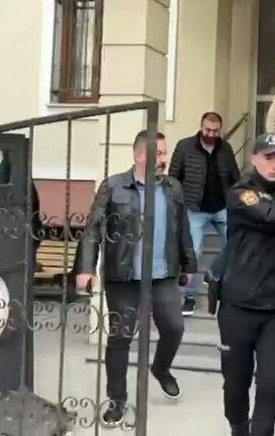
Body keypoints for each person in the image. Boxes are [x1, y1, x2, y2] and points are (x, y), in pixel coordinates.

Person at [73, 130, 197, 427]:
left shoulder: (172, 188)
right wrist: (85, 268)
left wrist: (189, 262)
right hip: (124, 277)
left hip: (163, 275)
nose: (164, 159)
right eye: (159, 153)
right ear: (140, 154)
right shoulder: (113, 186)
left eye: (165, 153)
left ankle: (161, 369)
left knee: (174, 328)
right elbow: (93, 229)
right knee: (120, 338)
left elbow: (181, 228)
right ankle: (117, 400)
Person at [217, 132, 275, 436]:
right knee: (236, 384)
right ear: (254, 158)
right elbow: (269, 216)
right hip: (238, 307)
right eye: (269, 157)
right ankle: (238, 428)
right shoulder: (241, 193)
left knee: (270, 385)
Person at [168, 111, 240, 316]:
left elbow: (235, 177)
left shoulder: (225, 148)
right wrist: (176, 206)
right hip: (194, 209)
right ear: (201, 127)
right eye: (208, 130)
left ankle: (219, 279)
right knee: (193, 253)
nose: (211, 134)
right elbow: (173, 178)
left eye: (215, 131)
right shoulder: (185, 146)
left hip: (222, 207)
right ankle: (189, 297)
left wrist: (236, 199)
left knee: (236, 246)